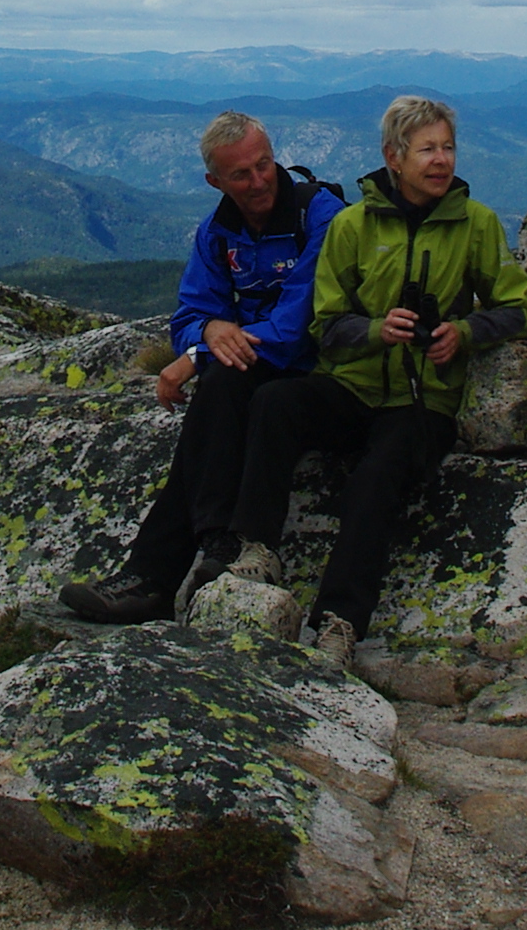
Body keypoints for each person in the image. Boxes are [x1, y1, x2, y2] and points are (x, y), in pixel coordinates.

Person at [225, 95, 527, 661]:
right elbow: (325, 324)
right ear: (394, 157)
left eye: (447, 148)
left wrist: (462, 333)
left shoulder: (476, 224)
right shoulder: (354, 226)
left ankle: (339, 621)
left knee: (377, 477)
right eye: (427, 150)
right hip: (354, 386)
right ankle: (258, 547)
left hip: (424, 401)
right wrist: (375, 331)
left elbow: (521, 309)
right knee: (274, 403)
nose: (441, 161)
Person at [58, 113, 343, 624]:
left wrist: (196, 355)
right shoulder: (218, 232)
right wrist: (208, 332)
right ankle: (206, 550)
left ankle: (157, 574)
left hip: (319, 371)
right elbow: (191, 311)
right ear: (215, 181)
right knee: (222, 386)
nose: (258, 181)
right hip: (253, 369)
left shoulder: (320, 217)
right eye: (241, 175)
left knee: (219, 384)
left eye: (264, 165)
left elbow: (299, 323)